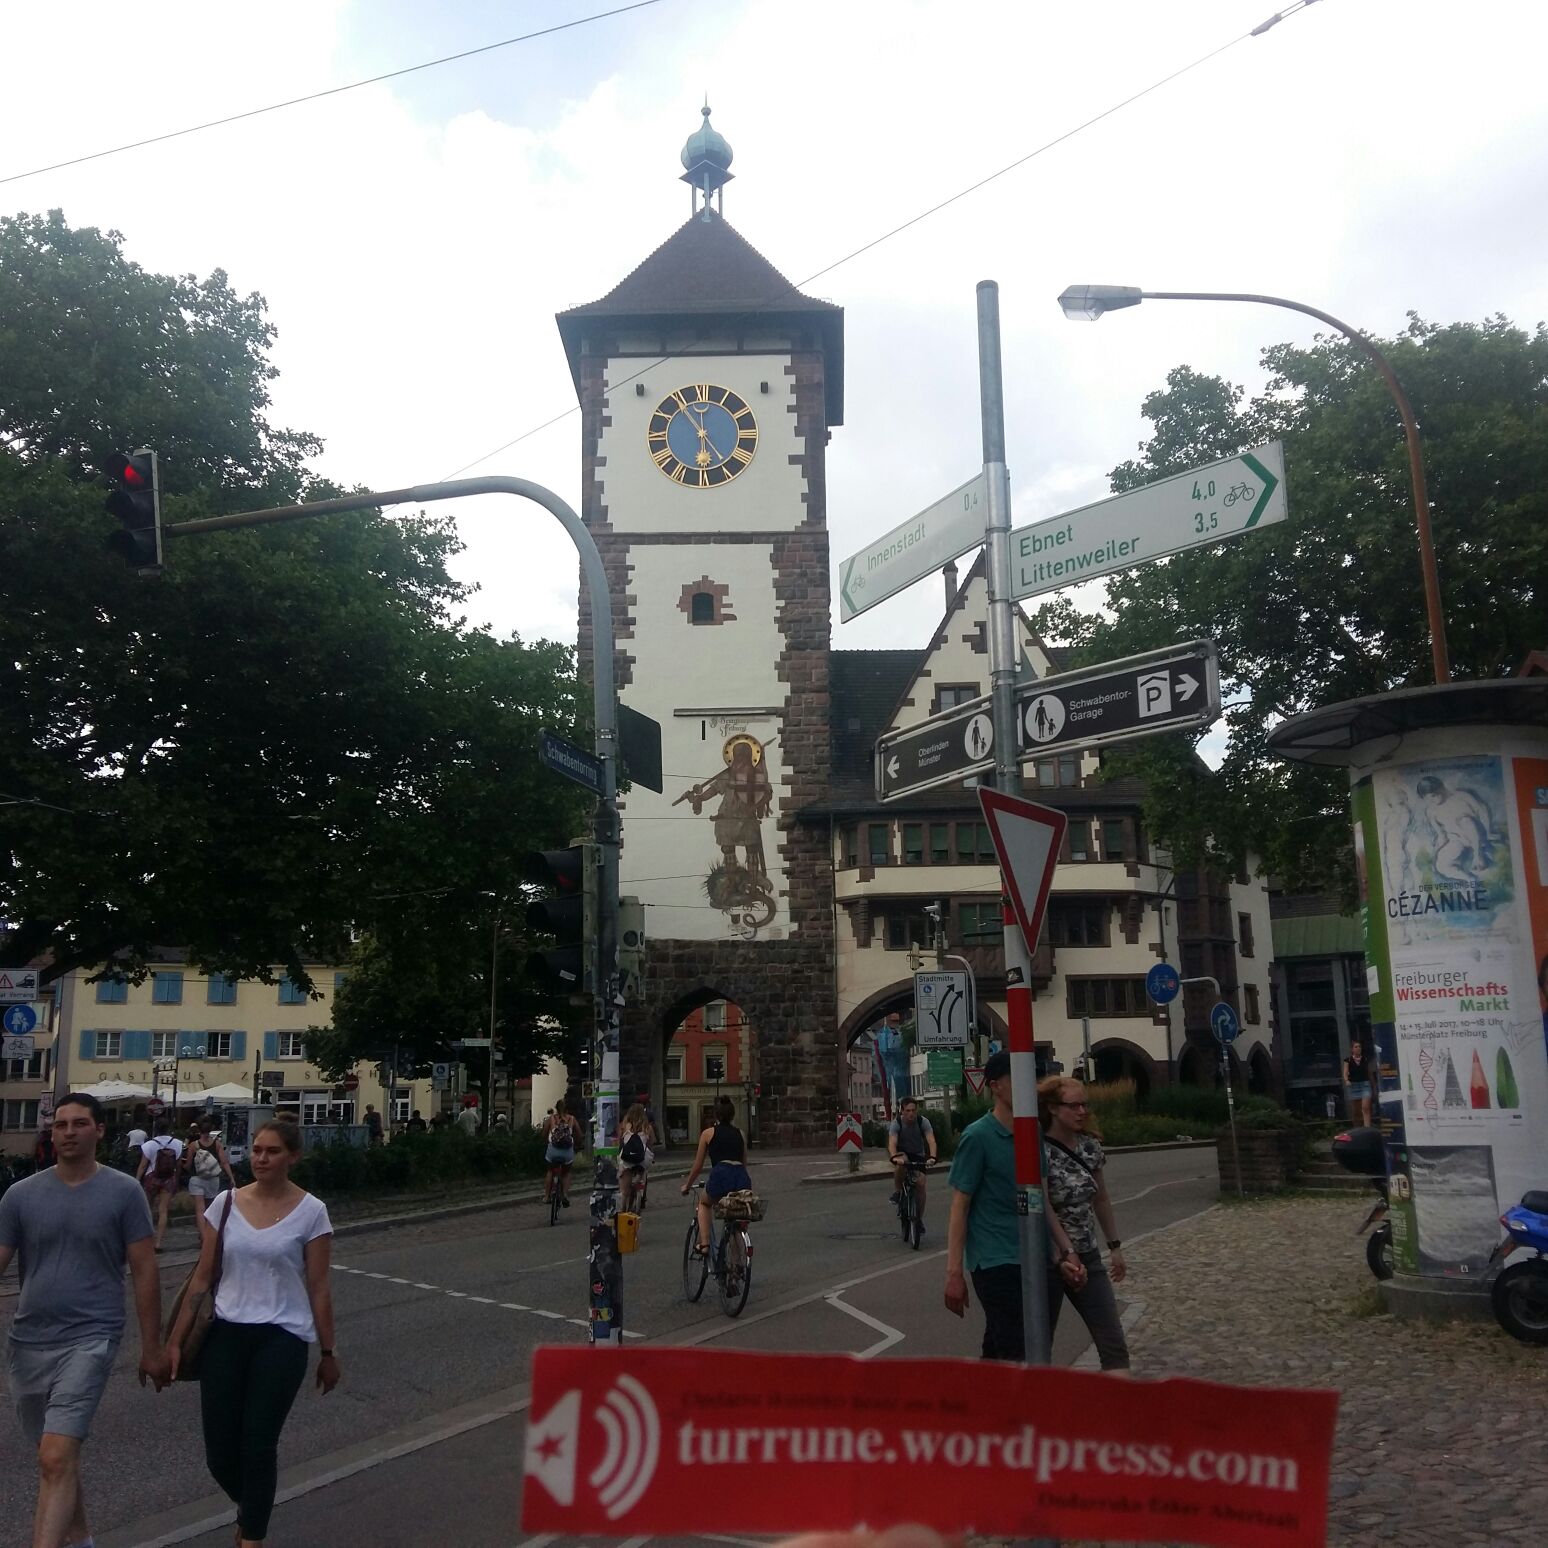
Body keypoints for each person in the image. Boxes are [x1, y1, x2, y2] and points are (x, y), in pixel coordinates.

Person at [0, 1092, 170, 1548]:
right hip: (28, 1342)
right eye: (61, 1125)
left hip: (91, 1338)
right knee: (55, 1457)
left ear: (99, 1130)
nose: (69, 1132)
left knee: (56, 1456)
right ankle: (81, 1541)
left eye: (79, 1124)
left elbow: (145, 1271)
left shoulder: (123, 1192)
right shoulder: (20, 1196)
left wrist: (152, 1348)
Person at [169, 1118, 338, 1548]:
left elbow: (319, 1287)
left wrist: (328, 1352)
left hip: (282, 1338)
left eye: (272, 1151)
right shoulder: (225, 1204)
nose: (261, 1158)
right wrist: (173, 1342)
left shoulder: (312, 1212)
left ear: (292, 1157)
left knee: (258, 1445)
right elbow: (203, 1277)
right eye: (257, 1150)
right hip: (226, 1335)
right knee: (220, 1455)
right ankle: (252, 1511)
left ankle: (252, 1538)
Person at [943, 1052, 1081, 1361]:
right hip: (995, 1260)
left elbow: (1041, 1198)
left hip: (1035, 1257)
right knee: (1018, 1348)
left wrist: (1064, 1250)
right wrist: (954, 1272)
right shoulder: (977, 1137)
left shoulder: (1033, 1132)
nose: (1027, 1085)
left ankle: (985, 1391)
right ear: (996, 1087)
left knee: (1012, 1348)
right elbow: (959, 1207)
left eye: (1031, 1077)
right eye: (1016, 1078)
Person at [1038, 1075, 1131, 1372]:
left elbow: (1100, 1198)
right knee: (1038, 1348)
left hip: (1087, 1255)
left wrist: (1114, 1246)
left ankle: (1118, 1399)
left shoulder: (1090, 1147)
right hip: (1049, 1259)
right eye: (1074, 1105)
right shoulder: (1039, 1150)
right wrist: (1064, 1252)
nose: (1082, 1112)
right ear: (1053, 1108)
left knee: (1113, 1344)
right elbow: (1042, 1204)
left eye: (1084, 1105)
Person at [680, 1095, 751, 1255]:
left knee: (704, 1203)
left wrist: (687, 1185)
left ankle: (704, 1244)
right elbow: (744, 1162)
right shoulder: (740, 1134)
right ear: (732, 1115)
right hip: (740, 1176)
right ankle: (737, 1265)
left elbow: (698, 1165)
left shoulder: (708, 1134)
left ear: (716, 1115)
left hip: (721, 1174)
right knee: (733, 1219)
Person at [886, 1096, 937, 1230]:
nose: (911, 1114)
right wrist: (894, 1157)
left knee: (921, 1184)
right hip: (902, 1153)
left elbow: (931, 1141)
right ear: (902, 1111)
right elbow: (892, 1143)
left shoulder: (923, 1122)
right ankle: (898, 1192)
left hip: (918, 1154)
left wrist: (932, 1157)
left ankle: (918, 1219)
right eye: (908, 1111)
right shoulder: (896, 1123)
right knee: (901, 1163)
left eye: (913, 1110)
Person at [185, 1117, 237, 1245]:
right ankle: (209, 1235)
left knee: (200, 1209)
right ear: (211, 1129)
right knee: (210, 1209)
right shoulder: (217, 1144)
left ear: (199, 1129)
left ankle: (204, 1237)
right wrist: (231, 1177)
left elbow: (188, 1165)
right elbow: (224, 1162)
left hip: (197, 1179)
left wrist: (182, 1166)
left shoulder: (193, 1145)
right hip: (213, 1180)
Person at [136, 1118, 184, 1252]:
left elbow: (143, 1165)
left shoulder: (149, 1145)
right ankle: (158, 1243)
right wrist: (177, 1180)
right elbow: (179, 1165)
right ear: (168, 1128)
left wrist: (137, 1180)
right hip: (168, 1178)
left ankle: (147, 1239)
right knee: (163, 1210)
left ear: (155, 1128)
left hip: (152, 1177)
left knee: (148, 1209)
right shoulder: (177, 1144)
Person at [618, 1102, 655, 1213]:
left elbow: (620, 1141)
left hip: (627, 1158)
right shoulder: (648, 1128)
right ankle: (641, 1190)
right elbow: (651, 1143)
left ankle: (623, 1204)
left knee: (624, 1188)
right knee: (644, 1169)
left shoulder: (624, 1126)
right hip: (642, 1158)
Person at [542, 1100, 580, 1208]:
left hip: (553, 1151)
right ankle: (565, 1195)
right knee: (566, 1172)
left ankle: (546, 1196)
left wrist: (545, 1142)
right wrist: (578, 1145)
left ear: (556, 1108)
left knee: (550, 1170)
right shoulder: (572, 1119)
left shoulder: (551, 1119)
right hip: (567, 1152)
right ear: (567, 1108)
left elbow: (544, 1133)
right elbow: (579, 1134)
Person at [1344, 1039, 1374, 1126]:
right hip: (1353, 1086)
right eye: (1356, 1047)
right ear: (1352, 1049)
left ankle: (1367, 1128)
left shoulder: (1365, 1059)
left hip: (1365, 1085)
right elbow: (1345, 1073)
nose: (1358, 1048)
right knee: (1356, 1111)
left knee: (1365, 1108)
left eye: (1359, 1046)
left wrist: (1373, 1085)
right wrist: (1346, 1080)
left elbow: (1369, 1073)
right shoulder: (1347, 1060)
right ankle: (1357, 1128)